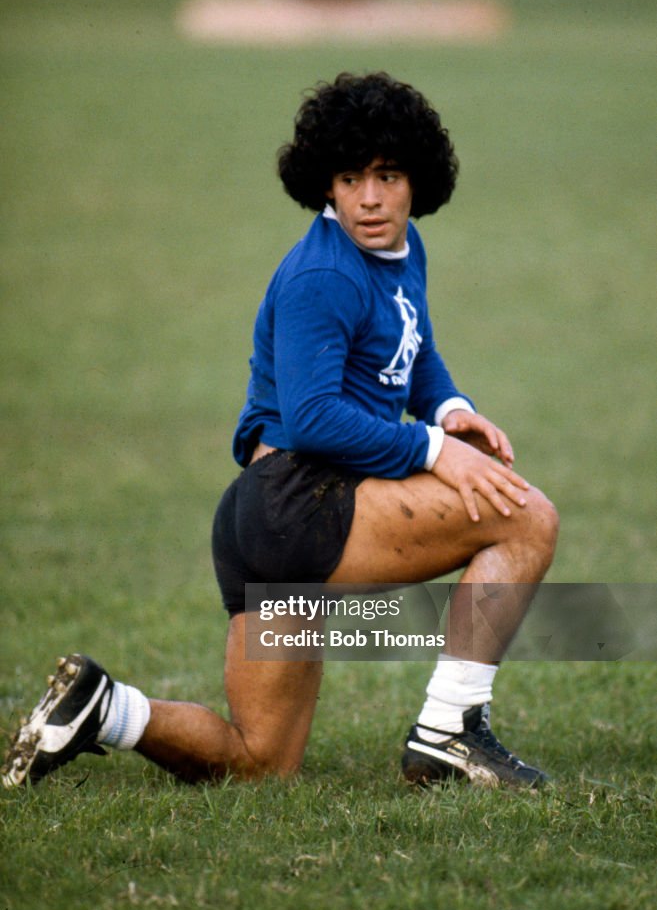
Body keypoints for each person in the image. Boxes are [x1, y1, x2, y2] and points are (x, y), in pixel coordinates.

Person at [2, 72, 558, 792]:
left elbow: (410, 345)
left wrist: (449, 408)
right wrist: (434, 448)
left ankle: (104, 710)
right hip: (298, 504)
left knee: (261, 762)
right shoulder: (322, 275)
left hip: (266, 517)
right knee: (525, 520)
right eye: (349, 177)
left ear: (416, 180)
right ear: (323, 184)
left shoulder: (400, 248)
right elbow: (313, 419)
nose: (368, 197)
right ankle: (450, 730)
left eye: (387, 176)